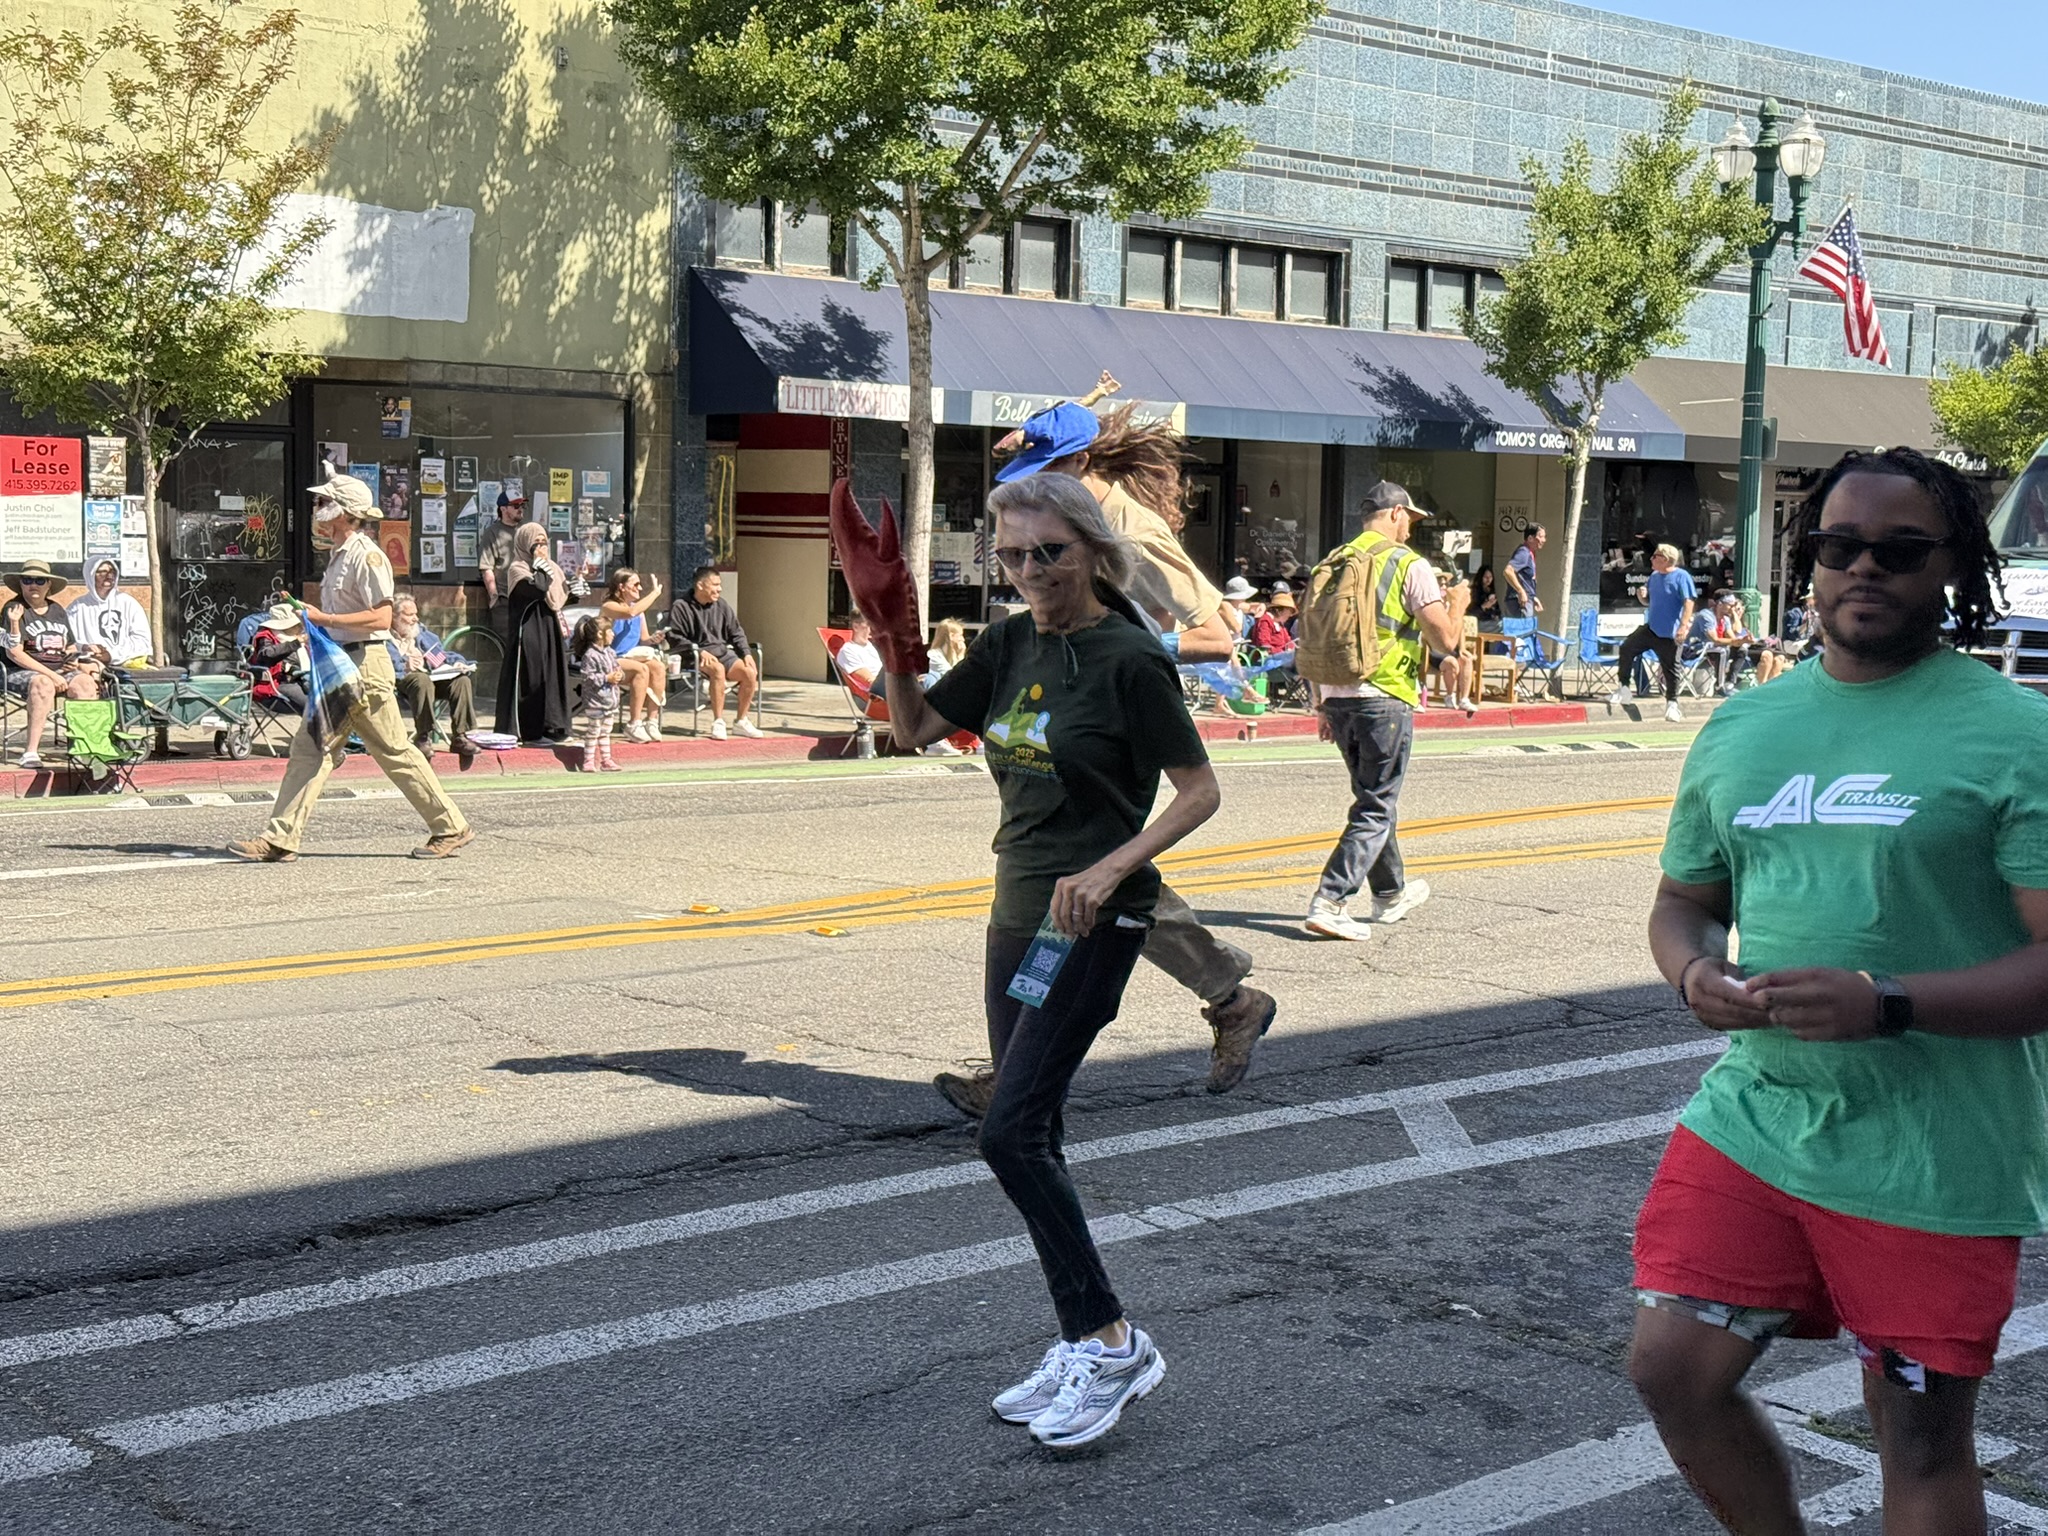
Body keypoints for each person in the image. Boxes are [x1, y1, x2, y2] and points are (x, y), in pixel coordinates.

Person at [1631, 447, 2048, 1536]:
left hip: (1935, 1149)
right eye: (1838, 545)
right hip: (1758, 1115)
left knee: (1916, 1436)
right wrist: (1694, 971)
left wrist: (1889, 1001)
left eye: (1900, 551)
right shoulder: (1744, 724)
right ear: (1808, 560)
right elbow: (1683, 900)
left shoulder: (2017, 735)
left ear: (1951, 567)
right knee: (1673, 1369)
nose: (1864, 567)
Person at [835, 470, 1221, 1449]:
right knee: (1030, 1132)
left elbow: (1199, 791)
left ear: (1091, 550)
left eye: (1048, 552)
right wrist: (895, 636)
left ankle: (1112, 1340)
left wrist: (1112, 865)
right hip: (1017, 916)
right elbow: (912, 732)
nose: (1030, 572)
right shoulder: (1008, 644)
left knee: (1007, 1135)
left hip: (1095, 921)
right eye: (1011, 556)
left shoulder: (1129, 658)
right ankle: (1084, 1339)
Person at [931, 396, 1275, 1112]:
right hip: (1062, 701)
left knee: (1106, 878)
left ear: (1084, 465)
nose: (1030, 554)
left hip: (1112, 711)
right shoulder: (1047, 523)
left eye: (1048, 471)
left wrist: (1121, 654)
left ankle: (1020, 1085)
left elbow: (1217, 635)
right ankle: (1223, 1000)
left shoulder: (1131, 532)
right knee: (1097, 876)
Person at [227, 473, 472, 862]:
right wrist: (308, 627)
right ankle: (280, 839)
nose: (317, 507)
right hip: (342, 662)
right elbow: (341, 619)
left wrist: (322, 619)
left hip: (364, 666)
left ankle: (451, 827)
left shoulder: (367, 555)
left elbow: (381, 618)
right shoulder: (339, 554)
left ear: (344, 511)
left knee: (392, 751)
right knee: (312, 749)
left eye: (324, 501)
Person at [1303, 481, 1469, 941]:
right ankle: (1331, 899)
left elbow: (1315, 635)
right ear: (1395, 513)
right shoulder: (1407, 564)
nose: (1409, 530)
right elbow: (1444, 639)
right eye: (1409, 520)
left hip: (1336, 695)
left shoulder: (1333, 562)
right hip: (1384, 694)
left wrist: (1321, 703)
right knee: (1376, 805)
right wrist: (1457, 605)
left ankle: (1389, 894)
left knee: (1374, 798)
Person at [3, 559, 99, 771]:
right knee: (43, 684)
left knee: (85, 682)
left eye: (39, 580)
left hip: (58, 670)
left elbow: (70, 647)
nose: (33, 585)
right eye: (27, 580)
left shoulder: (57, 610)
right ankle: (31, 752)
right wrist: (52, 675)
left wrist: (73, 661)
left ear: (48, 584)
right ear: (20, 584)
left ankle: (82, 746)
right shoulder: (14, 609)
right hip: (19, 670)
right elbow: (14, 653)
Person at [495, 521, 571, 745]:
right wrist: (539, 566)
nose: (540, 547)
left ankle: (552, 726)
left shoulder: (552, 568)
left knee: (551, 675)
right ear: (524, 544)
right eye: (535, 543)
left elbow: (557, 598)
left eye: (543, 542)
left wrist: (574, 590)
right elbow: (538, 589)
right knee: (532, 676)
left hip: (549, 627)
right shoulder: (518, 569)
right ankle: (529, 731)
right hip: (528, 630)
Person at [667, 566, 760, 740]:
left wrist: (746, 653)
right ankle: (718, 721)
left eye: (720, 584)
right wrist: (699, 651)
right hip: (694, 655)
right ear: (700, 585)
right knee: (717, 670)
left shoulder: (722, 605)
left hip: (722, 653)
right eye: (715, 585)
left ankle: (741, 721)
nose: (719, 589)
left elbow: (736, 632)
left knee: (749, 672)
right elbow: (674, 637)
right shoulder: (681, 606)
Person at [388, 593, 477, 764]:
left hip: (431, 679)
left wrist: (458, 663)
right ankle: (423, 737)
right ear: (394, 616)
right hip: (403, 682)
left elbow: (440, 656)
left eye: (416, 614)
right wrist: (405, 663)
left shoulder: (420, 633)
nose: (415, 619)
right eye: (409, 615)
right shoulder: (385, 637)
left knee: (461, 681)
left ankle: (460, 736)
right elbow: (386, 662)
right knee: (422, 680)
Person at [1612, 543, 1696, 723]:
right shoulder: (1654, 576)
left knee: (1671, 668)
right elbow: (1648, 602)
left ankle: (1672, 704)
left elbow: (1689, 602)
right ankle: (1624, 688)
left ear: (1665, 559)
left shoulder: (1682, 577)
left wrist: (1683, 627)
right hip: (1651, 628)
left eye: (1655, 556)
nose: (1651, 559)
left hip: (1670, 633)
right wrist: (1641, 596)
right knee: (1627, 648)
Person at [598, 568, 668, 742]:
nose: (640, 588)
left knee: (658, 667)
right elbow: (630, 613)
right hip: (609, 659)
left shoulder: (639, 611)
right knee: (641, 669)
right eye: (636, 584)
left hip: (630, 657)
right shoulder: (609, 607)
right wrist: (655, 593)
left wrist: (653, 639)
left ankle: (651, 720)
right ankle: (633, 723)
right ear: (621, 587)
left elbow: (643, 638)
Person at [66, 559, 153, 667]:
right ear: (90, 575)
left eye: (112, 571)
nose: (109, 575)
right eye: (102, 571)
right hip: (90, 665)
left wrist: (112, 655)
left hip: (125, 666)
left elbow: (142, 641)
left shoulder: (128, 603)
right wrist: (85, 647)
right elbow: (68, 641)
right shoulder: (77, 607)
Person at [570, 614, 624, 772]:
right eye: (610, 631)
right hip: (595, 702)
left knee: (606, 732)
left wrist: (619, 675)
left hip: (609, 701)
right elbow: (588, 677)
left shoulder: (610, 653)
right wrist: (606, 678)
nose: (613, 634)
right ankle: (588, 761)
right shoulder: (590, 655)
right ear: (600, 634)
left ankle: (606, 760)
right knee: (593, 731)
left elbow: (617, 668)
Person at [477, 490, 527, 649]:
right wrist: (494, 598)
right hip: (505, 600)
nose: (520, 509)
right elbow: (486, 567)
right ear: (503, 509)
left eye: (522, 505)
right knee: (509, 647)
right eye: (516, 506)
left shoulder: (525, 531)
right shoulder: (493, 533)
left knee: (528, 646)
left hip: (527, 598)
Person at [245, 602, 309, 715]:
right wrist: (296, 643)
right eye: (296, 625)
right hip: (279, 683)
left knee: (328, 697)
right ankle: (315, 724)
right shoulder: (266, 636)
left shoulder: (296, 636)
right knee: (312, 704)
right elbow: (266, 655)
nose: (300, 628)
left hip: (302, 678)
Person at [1502, 524, 1546, 618]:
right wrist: (1521, 591)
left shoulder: (1529, 553)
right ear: (1530, 538)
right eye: (1541, 537)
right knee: (1521, 627)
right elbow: (1508, 571)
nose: (1544, 540)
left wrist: (1533, 597)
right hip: (1519, 603)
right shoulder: (1523, 552)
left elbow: (1525, 579)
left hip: (1526, 600)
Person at [834, 610, 883, 691]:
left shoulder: (869, 646)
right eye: (868, 624)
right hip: (875, 692)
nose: (872, 629)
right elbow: (869, 680)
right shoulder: (848, 651)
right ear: (856, 627)